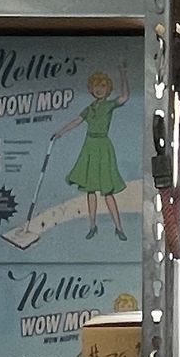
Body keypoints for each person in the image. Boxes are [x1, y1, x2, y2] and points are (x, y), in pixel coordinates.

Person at [58, 65, 131, 239]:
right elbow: (76, 121)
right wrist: (60, 132)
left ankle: (119, 227)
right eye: (96, 86)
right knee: (90, 190)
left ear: (108, 88)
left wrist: (122, 73)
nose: (99, 89)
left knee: (107, 190)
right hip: (89, 147)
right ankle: (92, 226)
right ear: (91, 89)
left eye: (103, 86)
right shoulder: (89, 108)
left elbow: (125, 97)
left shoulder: (108, 105)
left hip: (103, 146)